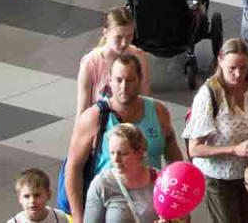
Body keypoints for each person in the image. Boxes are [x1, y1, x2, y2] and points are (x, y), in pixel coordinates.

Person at [63, 53, 181, 221]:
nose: (124, 86)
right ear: (109, 81)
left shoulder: (158, 112)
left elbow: (174, 160)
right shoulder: (94, 117)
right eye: (118, 80)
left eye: (130, 80)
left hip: (152, 200)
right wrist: (79, 217)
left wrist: (180, 204)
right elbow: (73, 168)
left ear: (140, 79)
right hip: (110, 199)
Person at [182, 39, 248, 223]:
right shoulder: (209, 94)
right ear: (219, 61)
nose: (238, 74)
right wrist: (234, 150)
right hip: (220, 179)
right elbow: (194, 149)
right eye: (232, 68)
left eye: (243, 67)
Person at [75, 8, 153, 114]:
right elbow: (82, 110)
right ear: (106, 33)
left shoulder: (139, 58)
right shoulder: (90, 62)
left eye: (129, 36)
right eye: (118, 37)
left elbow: (146, 104)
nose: (124, 43)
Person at [81, 124, 159, 223]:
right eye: (112, 153)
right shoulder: (102, 184)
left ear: (139, 153)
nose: (116, 159)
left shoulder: (159, 179)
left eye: (123, 153)